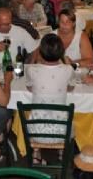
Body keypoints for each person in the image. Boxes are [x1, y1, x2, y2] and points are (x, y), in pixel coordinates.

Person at [26, 34, 74, 163]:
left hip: (36, 131)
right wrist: (66, 59)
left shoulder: (32, 70)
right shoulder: (68, 70)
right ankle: (61, 151)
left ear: (41, 52)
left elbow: (29, 87)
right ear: (62, 52)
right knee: (69, 116)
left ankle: (36, 152)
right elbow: (71, 88)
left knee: (34, 112)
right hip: (62, 131)